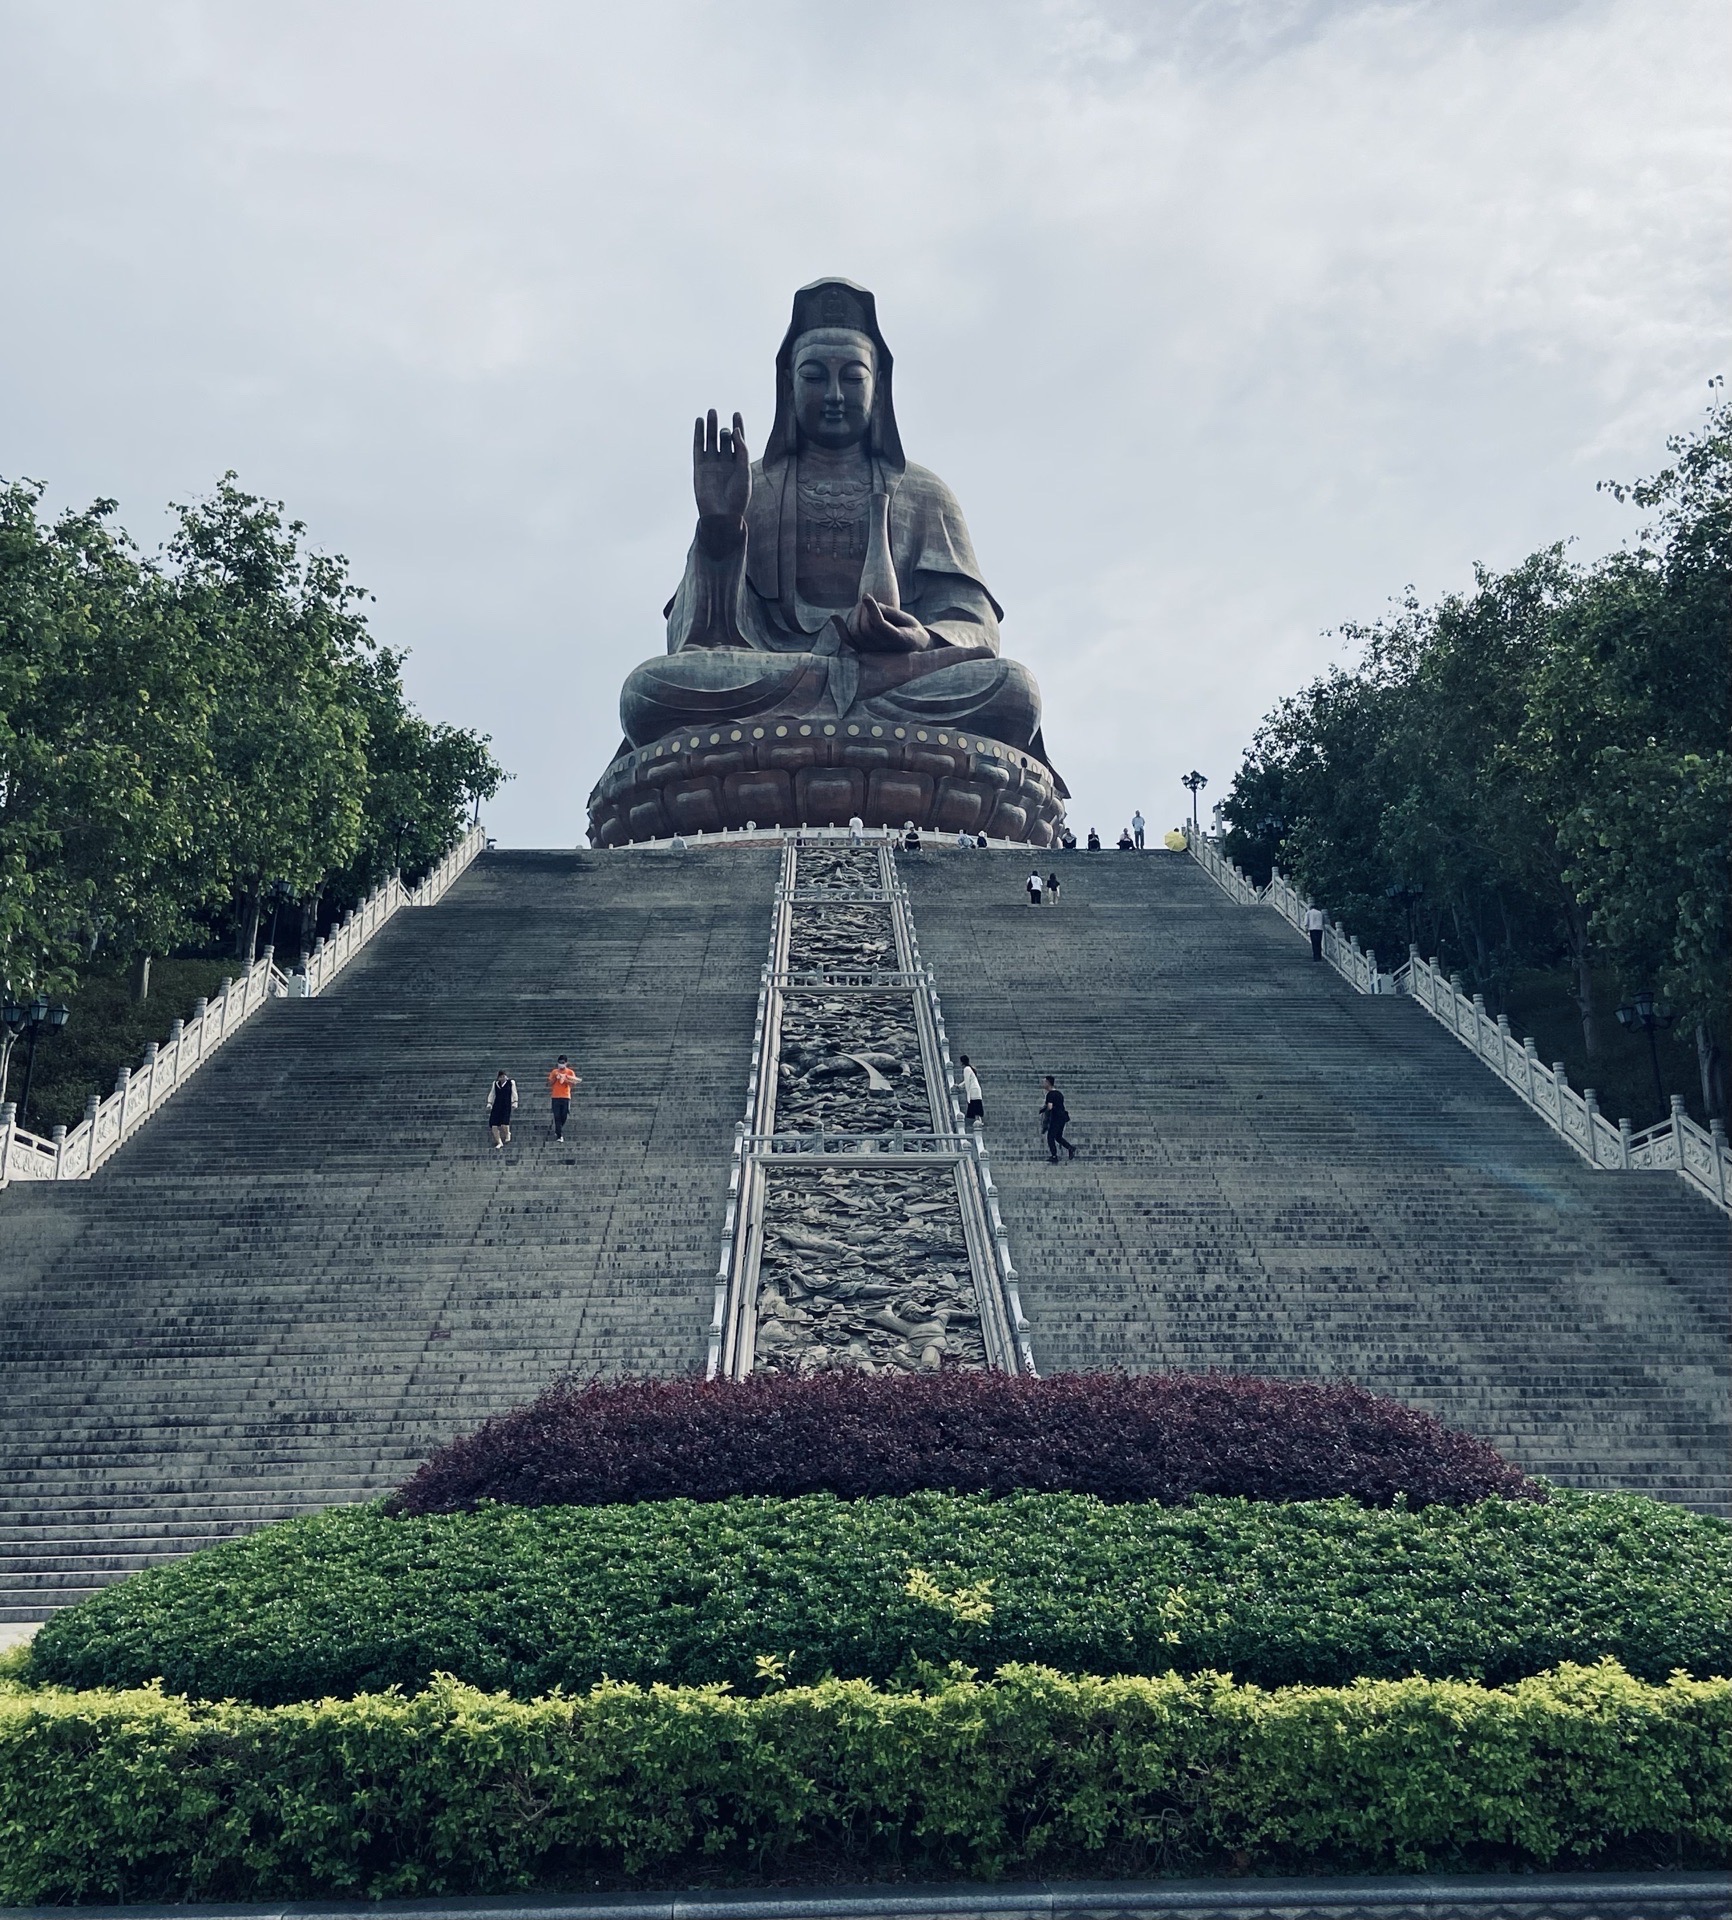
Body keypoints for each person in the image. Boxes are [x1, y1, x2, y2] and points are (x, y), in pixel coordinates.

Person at [1040, 1076, 1075, 1162]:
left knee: (1050, 1137)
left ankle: (1054, 1156)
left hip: (1056, 1118)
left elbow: (1050, 1107)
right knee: (1058, 1137)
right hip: (1063, 1117)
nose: (1043, 1084)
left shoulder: (1050, 1094)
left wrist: (1044, 1110)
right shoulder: (1059, 1094)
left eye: (1044, 1082)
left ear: (1048, 1083)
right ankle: (1070, 1148)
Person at [548, 1054, 582, 1140]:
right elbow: (550, 1083)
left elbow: (573, 1084)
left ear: (566, 1063)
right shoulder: (554, 1072)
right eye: (559, 1063)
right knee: (557, 1116)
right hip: (555, 1096)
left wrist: (565, 1079)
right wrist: (556, 1078)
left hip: (565, 1096)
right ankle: (559, 1135)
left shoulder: (570, 1072)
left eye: (562, 1063)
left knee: (564, 1115)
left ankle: (558, 1129)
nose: (561, 1064)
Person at [487, 1070, 517, 1149]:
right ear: (499, 1078)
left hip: (506, 1105)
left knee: (504, 1123)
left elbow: (514, 1092)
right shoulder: (495, 1084)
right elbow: (492, 1093)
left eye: (504, 1076)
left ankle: (507, 1134)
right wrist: (489, 1103)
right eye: (501, 1077)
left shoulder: (511, 1083)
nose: (503, 1078)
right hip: (497, 1105)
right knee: (494, 1125)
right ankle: (499, 1142)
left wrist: (515, 1101)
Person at [959, 1054, 985, 1126]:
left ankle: (978, 1121)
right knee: (976, 1105)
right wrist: (959, 1086)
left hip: (973, 1089)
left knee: (975, 1105)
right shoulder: (969, 1068)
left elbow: (967, 1082)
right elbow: (967, 1081)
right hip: (976, 1089)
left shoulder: (966, 1069)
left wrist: (968, 1095)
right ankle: (979, 1121)